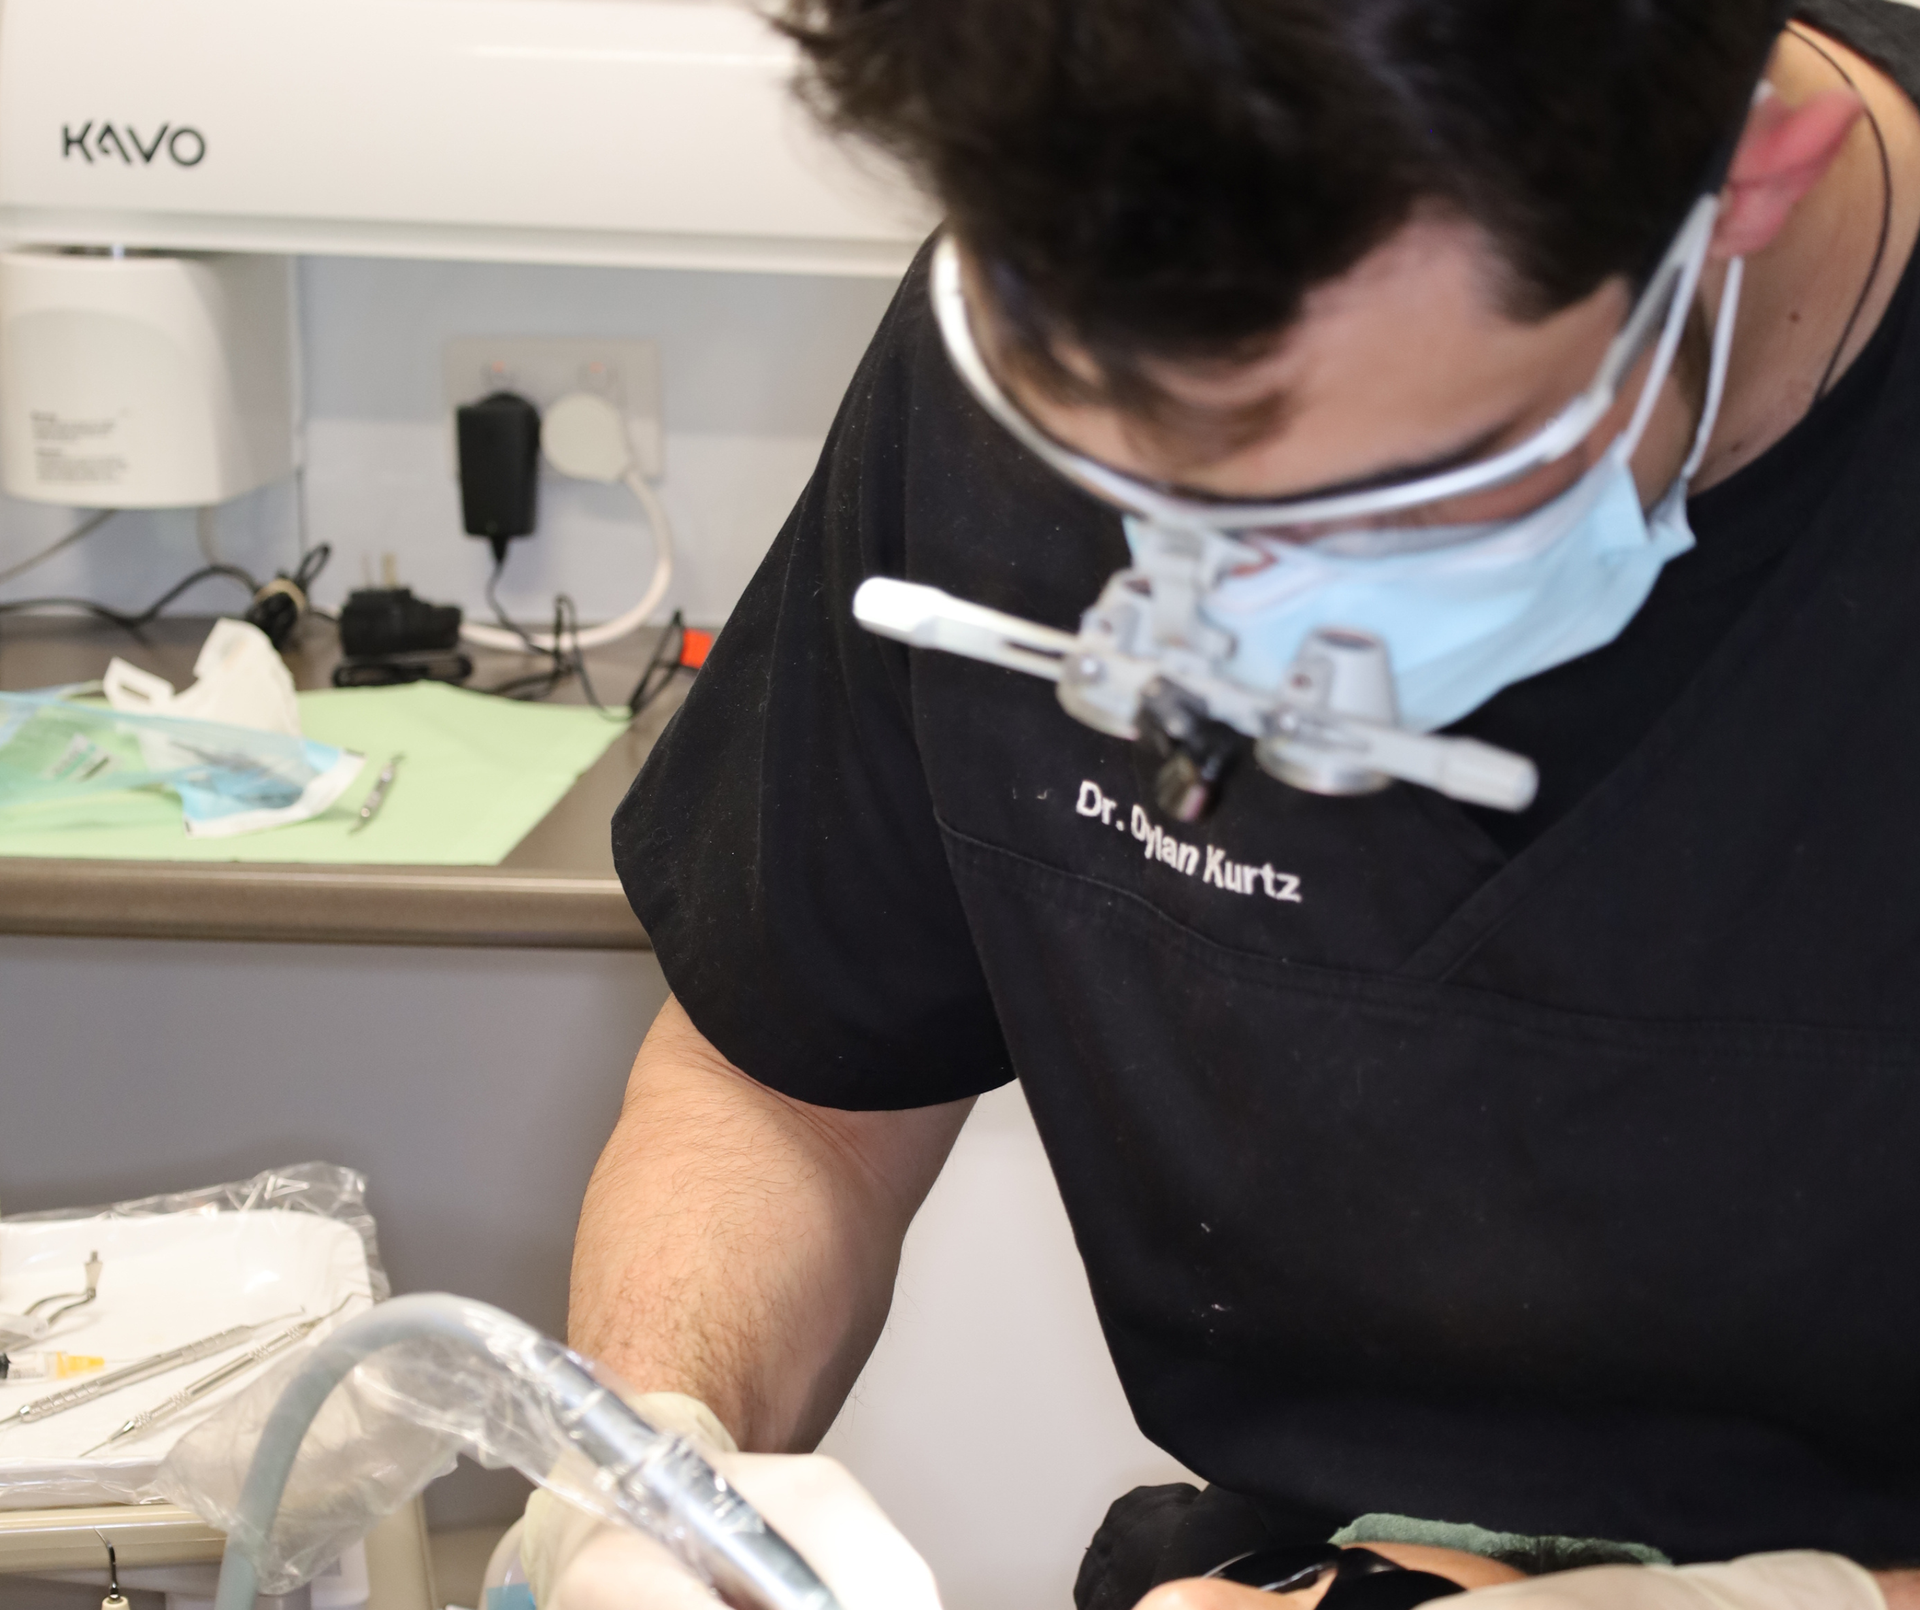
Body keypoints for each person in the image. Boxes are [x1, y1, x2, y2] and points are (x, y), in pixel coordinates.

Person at [531, 0, 1920, 1605]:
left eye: (1379, 505)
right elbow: (789, 1096)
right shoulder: (1075, 299)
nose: (1219, 627)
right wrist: (653, 1466)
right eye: (1133, 497)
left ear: (1748, 179)